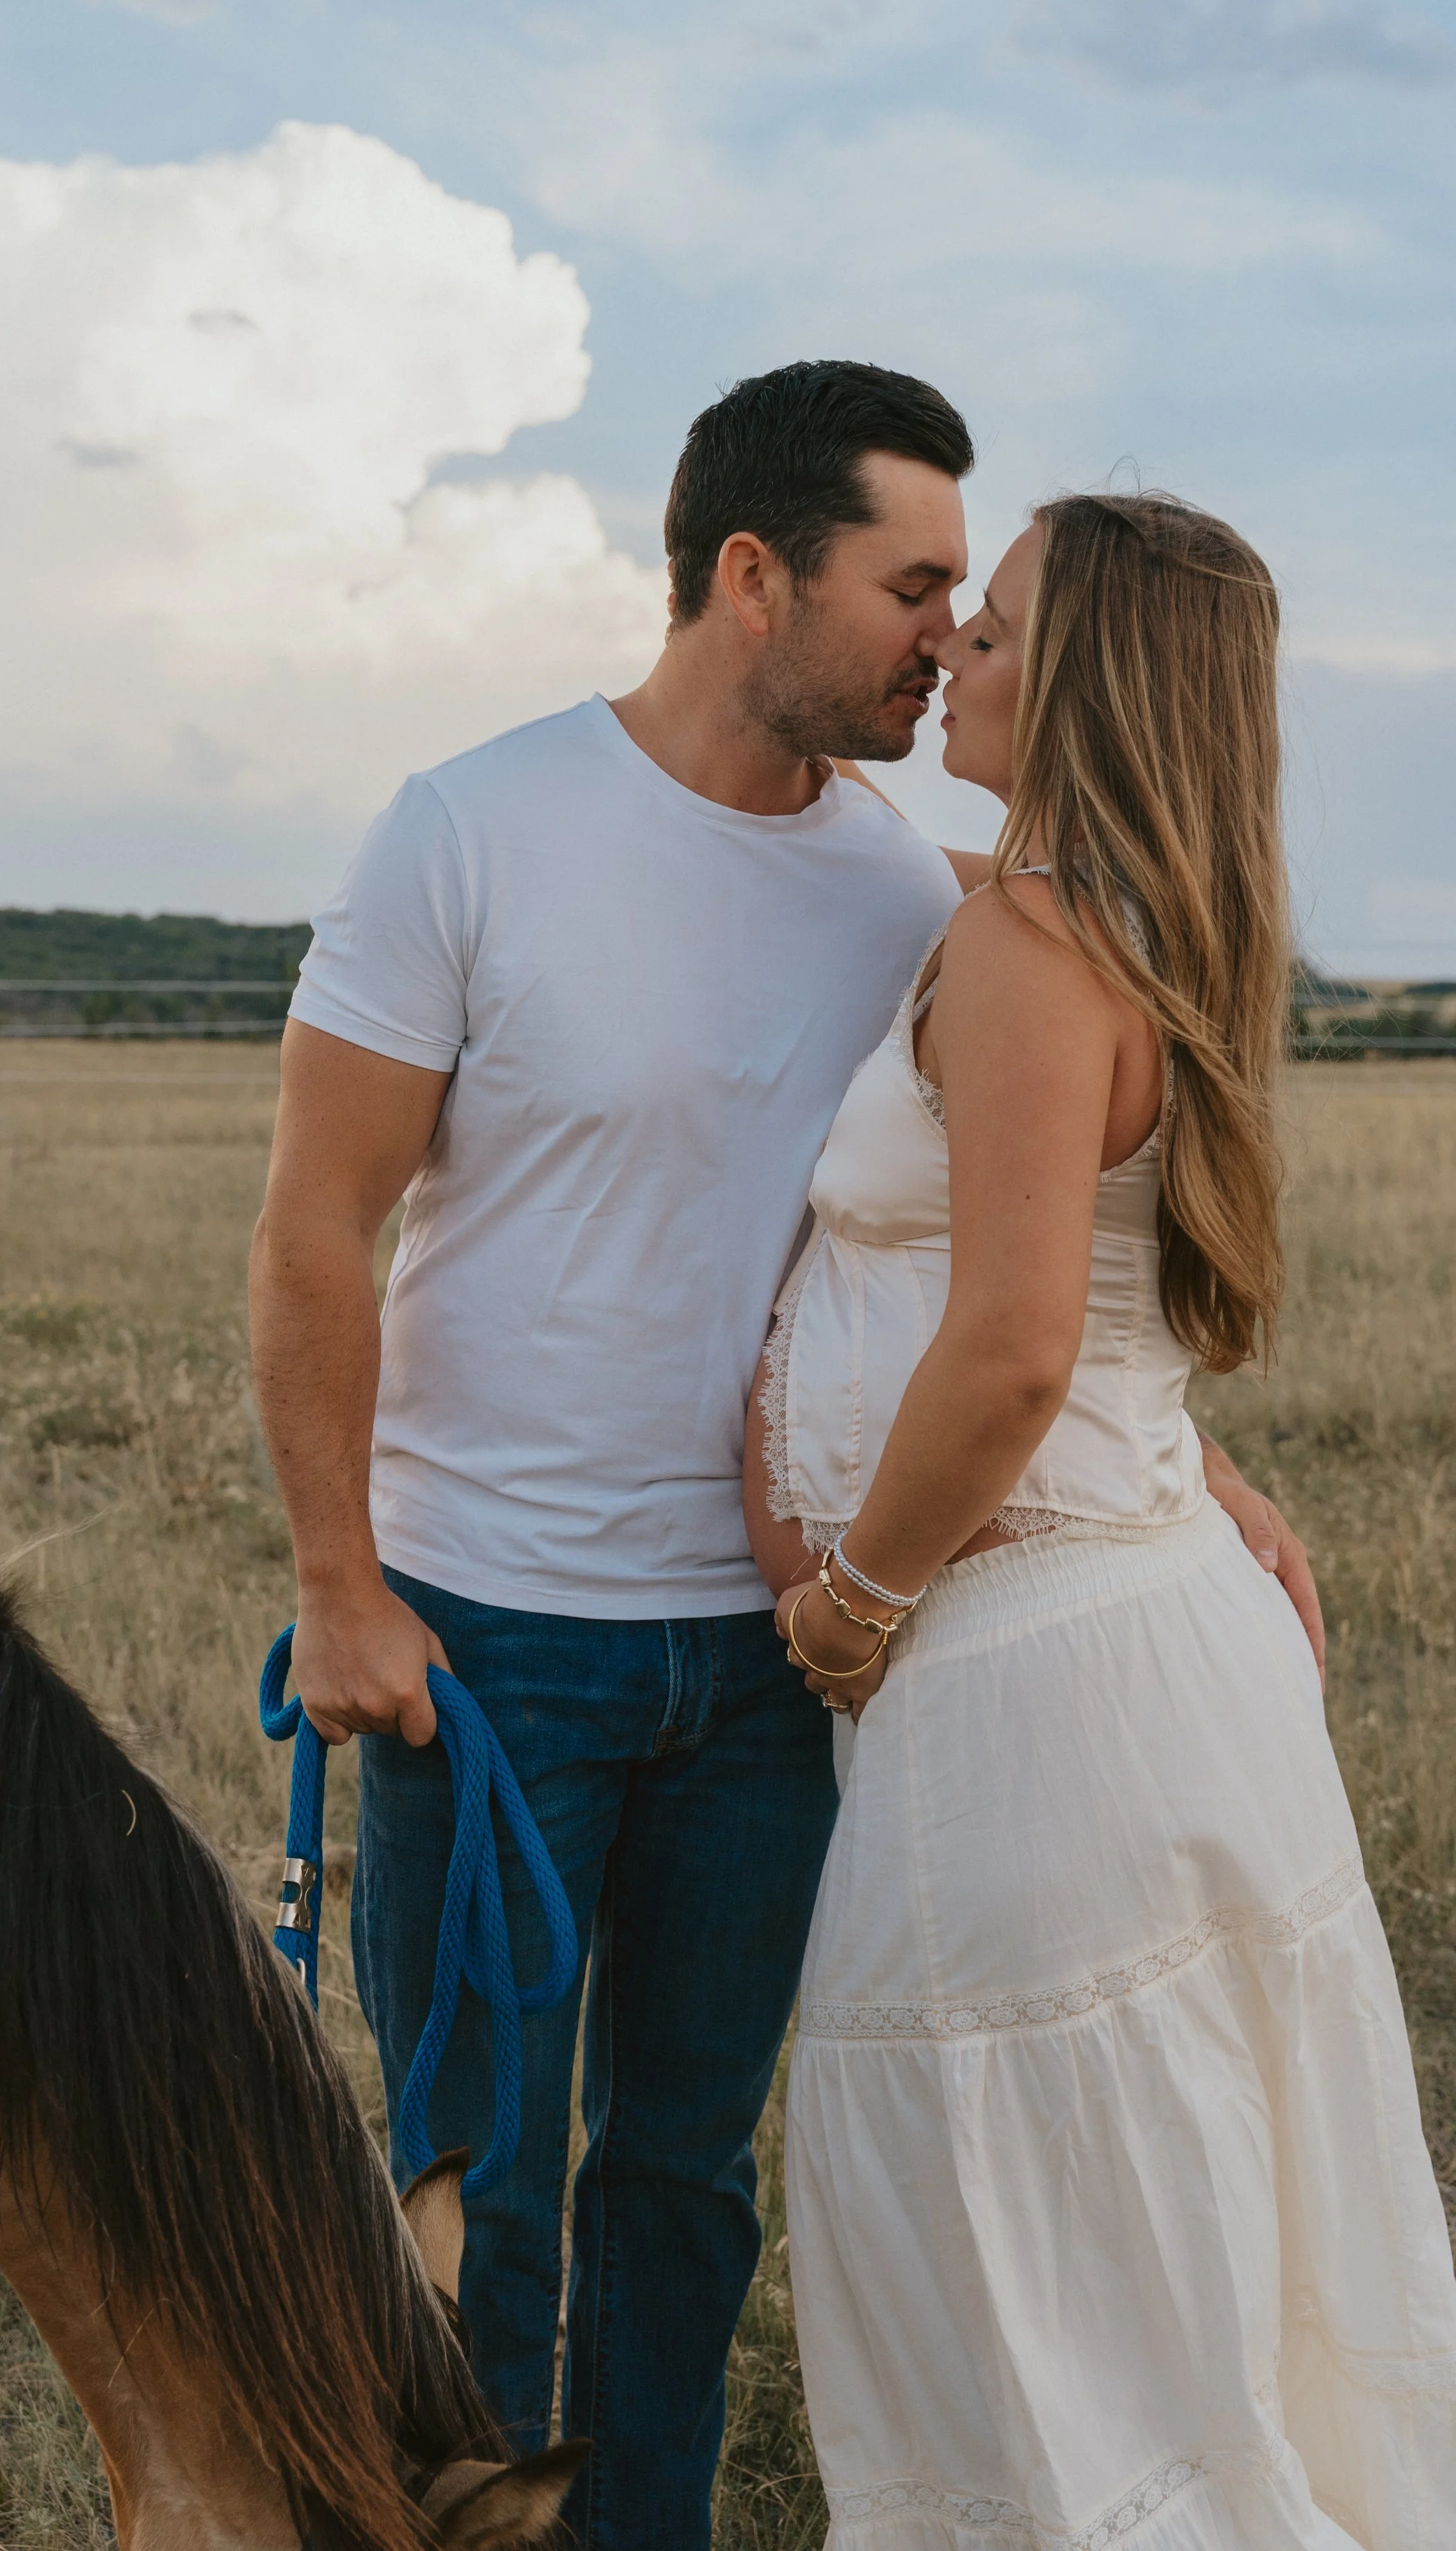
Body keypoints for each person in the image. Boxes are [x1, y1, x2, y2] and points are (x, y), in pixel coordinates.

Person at [248, 365, 1321, 2551]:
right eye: (913, 583)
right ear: (753, 577)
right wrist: (339, 1579)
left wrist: (1176, 1463)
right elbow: (308, 1232)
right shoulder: (468, 828)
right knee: (473, 2183)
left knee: (683, 2179)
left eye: (967, 596)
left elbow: (1023, 1226)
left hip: (773, 1668)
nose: (948, 633)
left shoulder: (908, 889)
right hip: (487, 1640)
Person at [752, 492, 1456, 2546]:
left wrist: (853, 1603)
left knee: (1053, 2263)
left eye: (998, 615)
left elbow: (1009, 1348)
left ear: (1089, 674)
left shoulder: (1026, 946)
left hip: (1026, 1684)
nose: (955, 639)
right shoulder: (1103, 919)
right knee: (1178, 2249)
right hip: (1131, 1638)